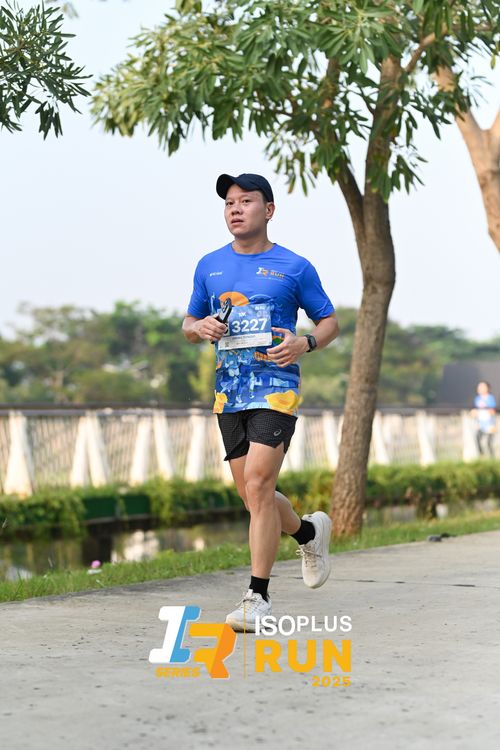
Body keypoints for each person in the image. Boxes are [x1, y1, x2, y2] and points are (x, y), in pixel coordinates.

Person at [182, 173, 339, 632]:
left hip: (275, 386)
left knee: (258, 482)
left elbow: (329, 322)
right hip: (229, 391)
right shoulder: (209, 265)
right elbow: (189, 323)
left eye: (246, 201)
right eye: (229, 202)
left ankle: (257, 597)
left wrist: (305, 343)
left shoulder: (294, 266)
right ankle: (308, 532)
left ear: (268, 210)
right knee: (254, 496)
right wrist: (200, 327)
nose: (235, 209)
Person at [471, 381, 496, 458]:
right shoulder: (477, 399)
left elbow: (492, 411)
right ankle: (482, 456)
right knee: (477, 439)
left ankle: (492, 459)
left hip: (490, 425)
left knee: (489, 443)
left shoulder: (490, 398)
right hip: (481, 425)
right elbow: (475, 412)